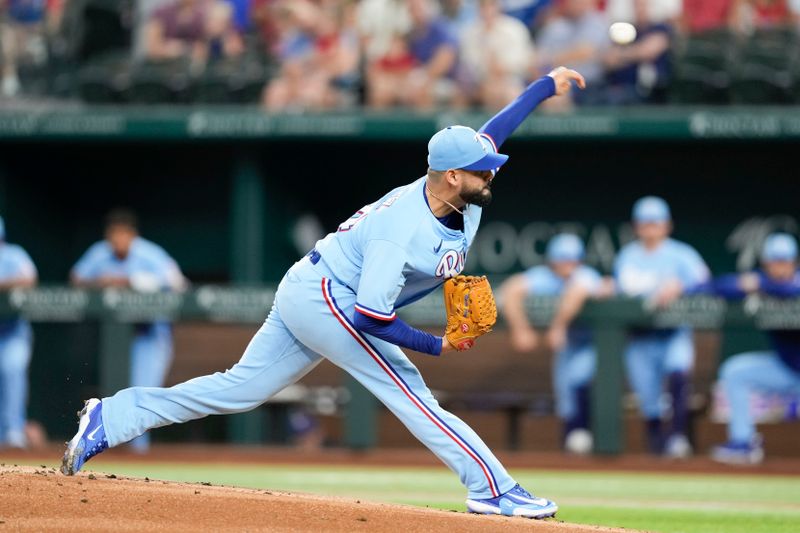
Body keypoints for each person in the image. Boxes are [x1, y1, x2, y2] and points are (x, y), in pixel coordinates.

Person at [61, 66, 587, 520]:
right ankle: (492, 490)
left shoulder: (455, 188)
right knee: (407, 389)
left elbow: (496, 130)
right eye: (481, 170)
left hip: (312, 287)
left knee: (238, 390)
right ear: (452, 176)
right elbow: (370, 319)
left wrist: (546, 85)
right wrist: (434, 345)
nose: (490, 172)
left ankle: (114, 416)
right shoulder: (400, 232)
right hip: (330, 298)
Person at [70, 209, 187, 452]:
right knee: (116, 392)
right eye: (113, 235)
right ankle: (116, 450)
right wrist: (100, 281)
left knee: (143, 390)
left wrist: (134, 281)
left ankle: (138, 452)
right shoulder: (99, 253)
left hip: (150, 333)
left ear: (132, 235)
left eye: (123, 235)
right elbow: (76, 279)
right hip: (113, 336)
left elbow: (179, 285)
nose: (118, 240)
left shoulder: (150, 254)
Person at [614, 196, 710, 457]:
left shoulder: (681, 254)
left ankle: (679, 437)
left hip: (673, 333)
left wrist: (682, 285)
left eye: (655, 223)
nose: (650, 228)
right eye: (645, 223)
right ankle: (656, 452)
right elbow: (621, 291)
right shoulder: (628, 256)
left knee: (678, 372)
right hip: (639, 337)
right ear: (637, 226)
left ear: (666, 225)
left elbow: (706, 282)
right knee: (649, 400)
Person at [500, 234, 612, 454]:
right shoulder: (545, 277)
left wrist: (558, 327)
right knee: (565, 395)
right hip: (568, 347)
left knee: (581, 380)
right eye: (562, 260)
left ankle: (583, 434)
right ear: (552, 261)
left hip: (593, 343)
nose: (567, 266)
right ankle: (570, 445)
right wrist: (521, 328)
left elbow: (577, 292)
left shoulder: (585, 276)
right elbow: (510, 289)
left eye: (572, 260)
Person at [711, 233, 800, 464]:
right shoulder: (761, 281)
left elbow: (790, 290)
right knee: (735, 372)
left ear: (794, 262)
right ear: (766, 263)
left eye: (785, 261)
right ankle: (743, 443)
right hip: (787, 369)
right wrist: (749, 284)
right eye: (774, 261)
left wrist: (761, 284)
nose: (780, 267)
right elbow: (719, 286)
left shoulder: (782, 283)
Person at [0, 216, 37, 448]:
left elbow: (29, 279)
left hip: (12, 331)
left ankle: (12, 431)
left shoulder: (13, 254)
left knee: (12, 371)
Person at [461, 0, 535, 109]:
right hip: (481, 82)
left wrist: (503, 69)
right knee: (490, 92)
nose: (487, 10)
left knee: (511, 94)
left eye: (491, 5)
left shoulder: (515, 29)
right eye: (483, 6)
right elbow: (468, 64)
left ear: (499, 7)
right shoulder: (470, 32)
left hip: (512, 80)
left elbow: (524, 61)